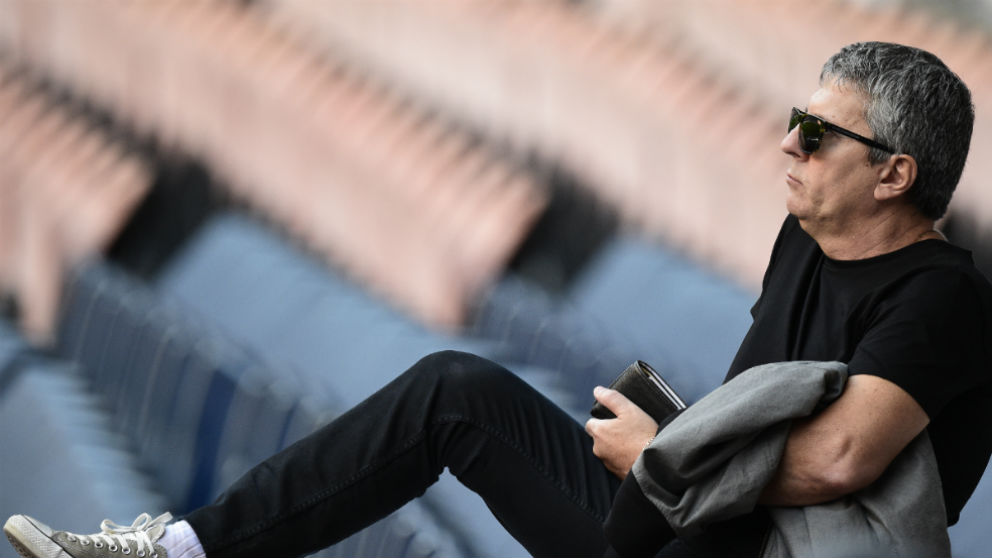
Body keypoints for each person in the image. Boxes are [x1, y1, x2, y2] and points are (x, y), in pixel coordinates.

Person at [5, 41, 992, 558]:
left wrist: (660, 458)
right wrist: (669, 453)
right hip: (696, 533)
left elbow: (837, 456)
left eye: (816, 134)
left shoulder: (943, 300)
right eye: (791, 121)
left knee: (456, 397)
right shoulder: (805, 240)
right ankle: (180, 551)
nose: (787, 145)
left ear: (894, 174)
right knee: (449, 392)